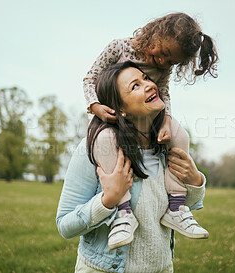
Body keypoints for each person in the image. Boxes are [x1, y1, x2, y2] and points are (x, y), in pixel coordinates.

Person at [57, 62, 207, 272]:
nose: (148, 85)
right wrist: (108, 200)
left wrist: (195, 181)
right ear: (120, 109)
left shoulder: (167, 144)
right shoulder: (95, 148)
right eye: (135, 86)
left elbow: (180, 209)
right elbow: (65, 225)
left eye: (146, 78)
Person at [83, 12, 217, 248]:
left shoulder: (162, 67)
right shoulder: (120, 47)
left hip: (150, 119)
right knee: (105, 140)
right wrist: (96, 107)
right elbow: (90, 78)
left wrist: (166, 119)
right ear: (155, 34)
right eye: (163, 54)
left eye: (171, 62)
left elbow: (163, 92)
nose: (163, 63)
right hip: (115, 117)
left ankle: (176, 206)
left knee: (179, 134)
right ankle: (123, 213)